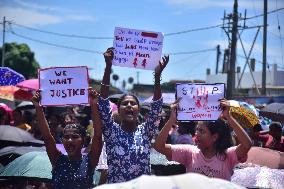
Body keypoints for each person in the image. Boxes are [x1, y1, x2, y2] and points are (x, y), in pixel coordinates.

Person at [97, 47, 169, 183]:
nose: (129, 105)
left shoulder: (146, 131)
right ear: (118, 110)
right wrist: (108, 67)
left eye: (133, 103)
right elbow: (103, 102)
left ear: (138, 110)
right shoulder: (111, 131)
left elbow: (156, 106)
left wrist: (157, 77)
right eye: (125, 104)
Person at [154, 99, 252, 181]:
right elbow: (159, 146)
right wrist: (171, 120)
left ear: (214, 137)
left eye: (201, 131)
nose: (197, 134)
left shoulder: (228, 155)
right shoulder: (189, 152)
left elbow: (247, 144)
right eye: (196, 130)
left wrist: (229, 117)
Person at [31, 89, 103, 189]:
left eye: (75, 137)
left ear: (83, 140)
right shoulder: (57, 159)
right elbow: (47, 137)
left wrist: (94, 104)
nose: (69, 140)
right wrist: (38, 107)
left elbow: (98, 137)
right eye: (66, 137)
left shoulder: (90, 160)